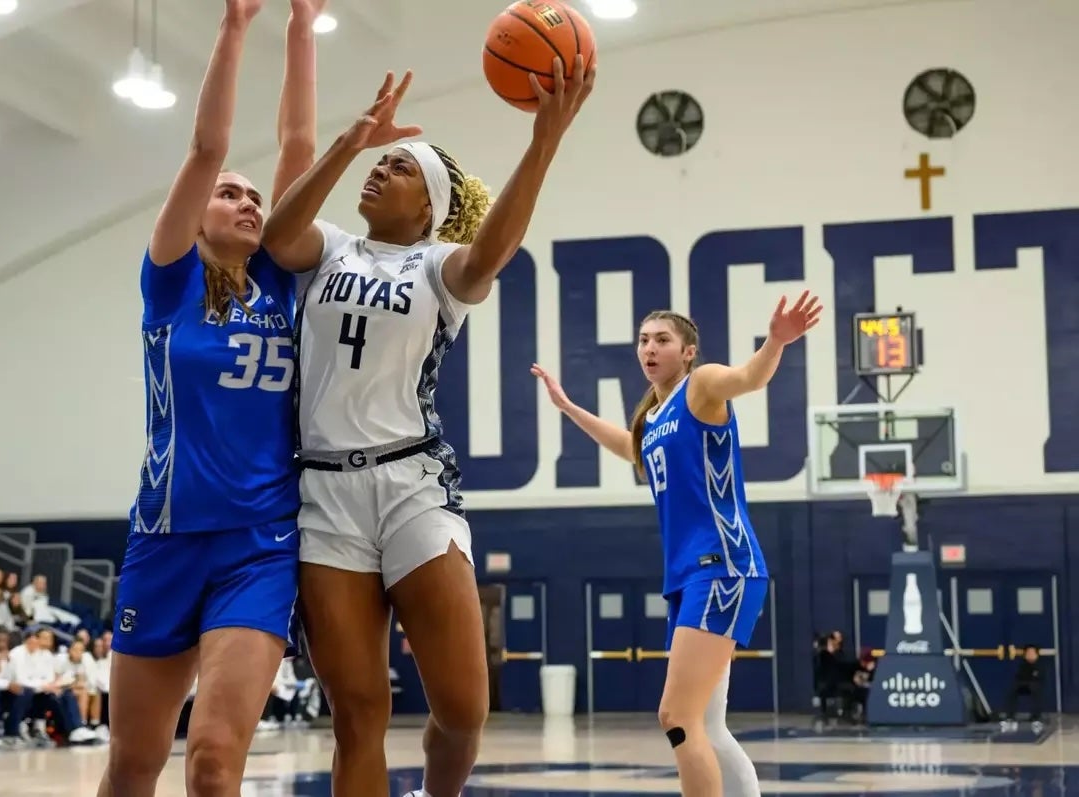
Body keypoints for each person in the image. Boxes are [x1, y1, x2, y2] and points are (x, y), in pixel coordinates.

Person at [260, 55, 595, 797]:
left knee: (465, 708)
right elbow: (276, 237)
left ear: (428, 210)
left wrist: (544, 140)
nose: (381, 171)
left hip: (413, 484)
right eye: (380, 162)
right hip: (323, 494)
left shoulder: (441, 268)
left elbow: (496, 249)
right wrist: (349, 141)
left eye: (400, 167)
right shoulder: (327, 247)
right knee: (358, 714)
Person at [97, 0, 324, 794]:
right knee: (133, 762)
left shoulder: (278, 282)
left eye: (256, 197)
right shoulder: (170, 280)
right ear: (194, 215)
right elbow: (207, 145)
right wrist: (235, 28)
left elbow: (299, 146)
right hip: (163, 538)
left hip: (258, 543)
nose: (250, 202)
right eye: (230, 194)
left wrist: (302, 27)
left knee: (215, 760)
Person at [531, 295, 821, 797]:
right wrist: (568, 406)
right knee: (708, 726)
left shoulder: (701, 385)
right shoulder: (654, 417)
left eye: (662, 339)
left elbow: (751, 378)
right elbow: (629, 446)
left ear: (687, 351)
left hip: (723, 565)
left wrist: (775, 341)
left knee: (677, 717)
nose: (650, 348)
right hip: (689, 577)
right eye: (643, 340)